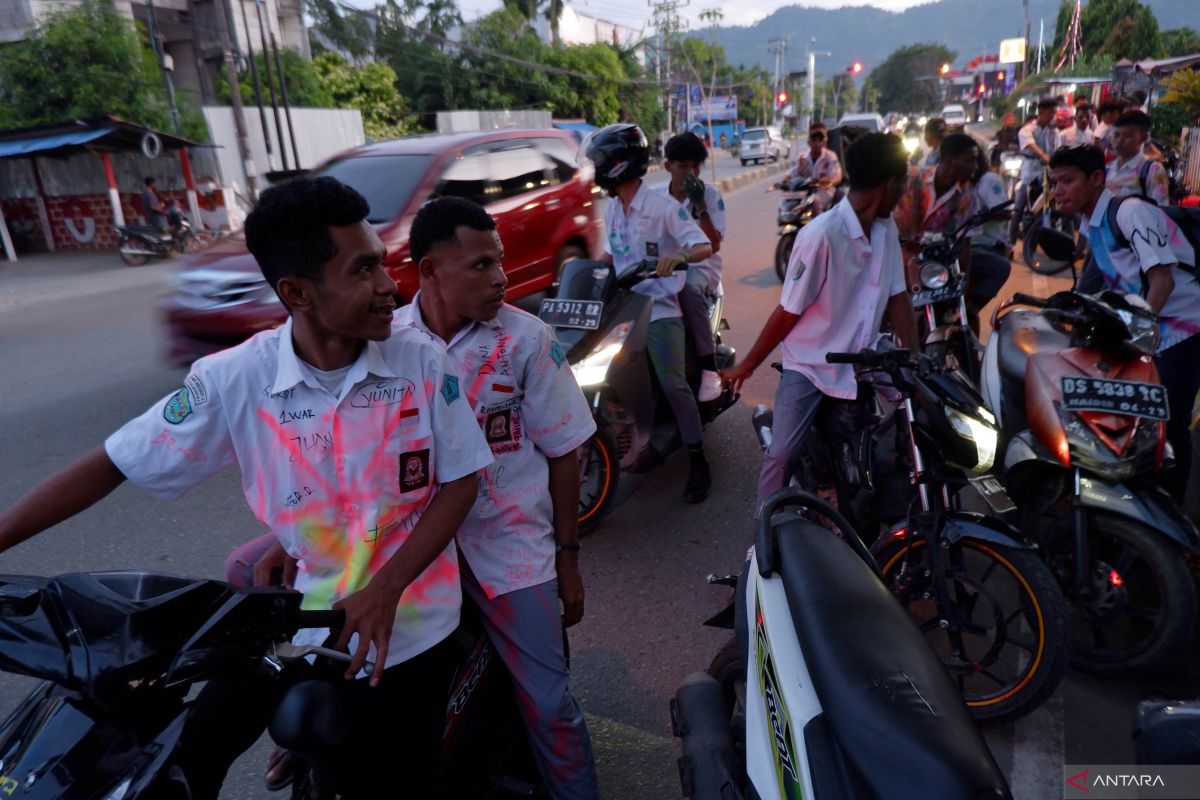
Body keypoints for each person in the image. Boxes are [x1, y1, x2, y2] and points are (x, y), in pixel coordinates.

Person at [0, 176, 494, 798]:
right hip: (294, 623)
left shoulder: (422, 363)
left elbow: (460, 483)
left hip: (409, 632)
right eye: (363, 270)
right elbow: (113, 462)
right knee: (185, 748)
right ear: (296, 292)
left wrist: (384, 590)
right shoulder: (235, 379)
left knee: (382, 779)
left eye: (381, 264)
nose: (387, 287)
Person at [395, 197, 600, 800]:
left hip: (509, 547)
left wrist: (567, 559)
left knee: (549, 702)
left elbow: (565, 450)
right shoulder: (388, 343)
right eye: (481, 265)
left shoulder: (526, 340)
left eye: (500, 262)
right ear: (430, 271)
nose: (501, 278)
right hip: (414, 548)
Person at [720, 133, 918, 510]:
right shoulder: (820, 235)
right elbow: (787, 312)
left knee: (915, 420)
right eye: (903, 184)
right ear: (890, 185)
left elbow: (898, 298)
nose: (905, 193)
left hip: (865, 359)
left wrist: (914, 359)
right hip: (811, 365)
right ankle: (764, 541)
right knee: (780, 455)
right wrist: (747, 365)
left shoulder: (886, 230)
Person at [1050, 143, 1200, 502]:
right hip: (1149, 330)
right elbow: (1098, 280)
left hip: (1184, 330)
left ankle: (1175, 521)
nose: (1057, 191)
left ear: (1097, 179)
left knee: (1169, 422)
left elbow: (1161, 281)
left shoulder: (1131, 212)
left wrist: (1136, 339)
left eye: (1067, 181)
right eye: (1054, 182)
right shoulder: (1091, 223)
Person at [586, 123, 715, 502]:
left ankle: (698, 461)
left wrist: (678, 257)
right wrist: (588, 277)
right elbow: (611, 253)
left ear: (618, 164)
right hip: (624, 305)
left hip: (659, 307)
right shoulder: (613, 208)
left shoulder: (663, 210)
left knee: (674, 383)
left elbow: (704, 245)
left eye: (599, 162)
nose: (595, 169)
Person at [659, 132, 728, 402]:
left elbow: (714, 245)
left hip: (701, 268)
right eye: (683, 166)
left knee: (687, 289)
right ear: (668, 167)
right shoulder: (656, 198)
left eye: (695, 166)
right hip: (662, 268)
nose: (691, 172)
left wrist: (700, 205)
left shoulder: (710, 195)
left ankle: (710, 369)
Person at [892, 132, 982, 291]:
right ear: (948, 161)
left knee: (999, 267)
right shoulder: (912, 178)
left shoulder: (969, 197)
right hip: (896, 256)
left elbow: (965, 244)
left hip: (936, 264)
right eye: (969, 161)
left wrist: (963, 282)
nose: (976, 167)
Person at [967, 146, 1013, 331]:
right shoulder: (961, 184)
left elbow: (1005, 212)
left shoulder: (987, 180)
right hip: (963, 247)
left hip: (987, 246)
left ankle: (970, 309)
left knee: (1000, 268)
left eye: (970, 161)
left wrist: (980, 216)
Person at [1008, 98, 1059, 246]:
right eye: (1050, 113)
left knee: (1058, 205)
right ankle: (1010, 243)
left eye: (1054, 113)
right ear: (1041, 112)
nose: (1052, 116)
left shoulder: (1054, 131)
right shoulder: (1027, 130)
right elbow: (1031, 146)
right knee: (1018, 209)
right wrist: (1044, 156)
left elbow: (1058, 148)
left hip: (1049, 174)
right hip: (1030, 174)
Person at [772, 122, 843, 213]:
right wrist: (784, 181)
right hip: (804, 192)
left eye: (820, 139)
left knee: (815, 201)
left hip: (824, 191)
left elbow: (837, 175)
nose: (817, 143)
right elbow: (791, 173)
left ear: (824, 142)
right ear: (809, 142)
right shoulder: (802, 157)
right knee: (786, 201)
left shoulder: (830, 157)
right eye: (814, 139)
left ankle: (819, 226)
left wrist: (829, 181)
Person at [1107, 109, 1170, 207]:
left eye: (1127, 135)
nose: (1119, 141)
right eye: (1116, 135)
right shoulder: (1108, 169)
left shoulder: (1153, 171)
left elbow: (1161, 209)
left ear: (1144, 137)